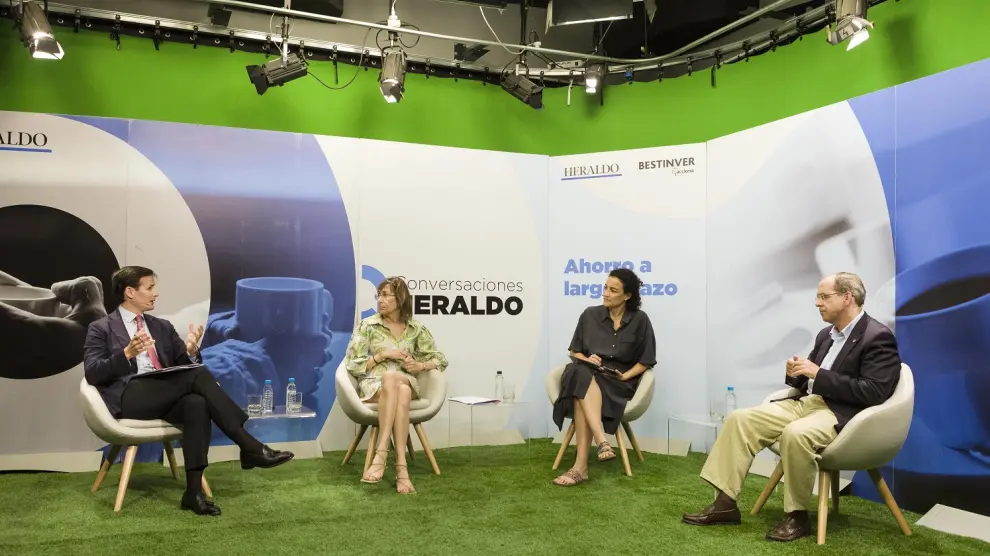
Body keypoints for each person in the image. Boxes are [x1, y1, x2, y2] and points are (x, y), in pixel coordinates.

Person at [682, 272, 902, 542]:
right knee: (740, 419)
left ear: (847, 297)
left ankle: (797, 517)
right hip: (805, 403)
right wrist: (795, 373)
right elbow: (806, 380)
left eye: (824, 296)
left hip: (841, 414)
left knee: (797, 434)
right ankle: (725, 503)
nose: (817, 303)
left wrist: (818, 375)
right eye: (817, 297)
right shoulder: (826, 335)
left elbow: (874, 392)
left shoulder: (877, 337)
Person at [83, 266, 294, 516]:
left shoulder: (162, 327)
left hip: (164, 394)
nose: (156, 293)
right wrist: (127, 353)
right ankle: (249, 446)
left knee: (197, 403)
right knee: (198, 375)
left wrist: (192, 351)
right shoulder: (101, 328)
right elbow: (93, 372)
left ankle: (193, 493)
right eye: (150, 288)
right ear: (130, 292)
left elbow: (182, 369)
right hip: (130, 398)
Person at [551, 268, 656, 486]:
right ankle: (601, 441)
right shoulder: (590, 315)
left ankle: (580, 468)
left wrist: (625, 375)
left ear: (627, 295)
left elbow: (646, 360)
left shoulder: (640, 320)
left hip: (617, 382)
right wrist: (588, 360)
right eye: (605, 288)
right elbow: (575, 352)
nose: (606, 293)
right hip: (588, 373)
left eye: (613, 290)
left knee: (581, 388)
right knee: (581, 371)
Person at [343, 276, 448, 494]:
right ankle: (401, 468)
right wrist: (383, 355)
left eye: (385, 295)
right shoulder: (368, 326)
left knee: (397, 381)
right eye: (378, 295)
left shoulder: (416, 329)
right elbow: (353, 364)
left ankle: (381, 454)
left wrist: (418, 366)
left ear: (400, 299)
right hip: (374, 385)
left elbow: (440, 359)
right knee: (396, 385)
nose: (380, 300)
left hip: (406, 380)